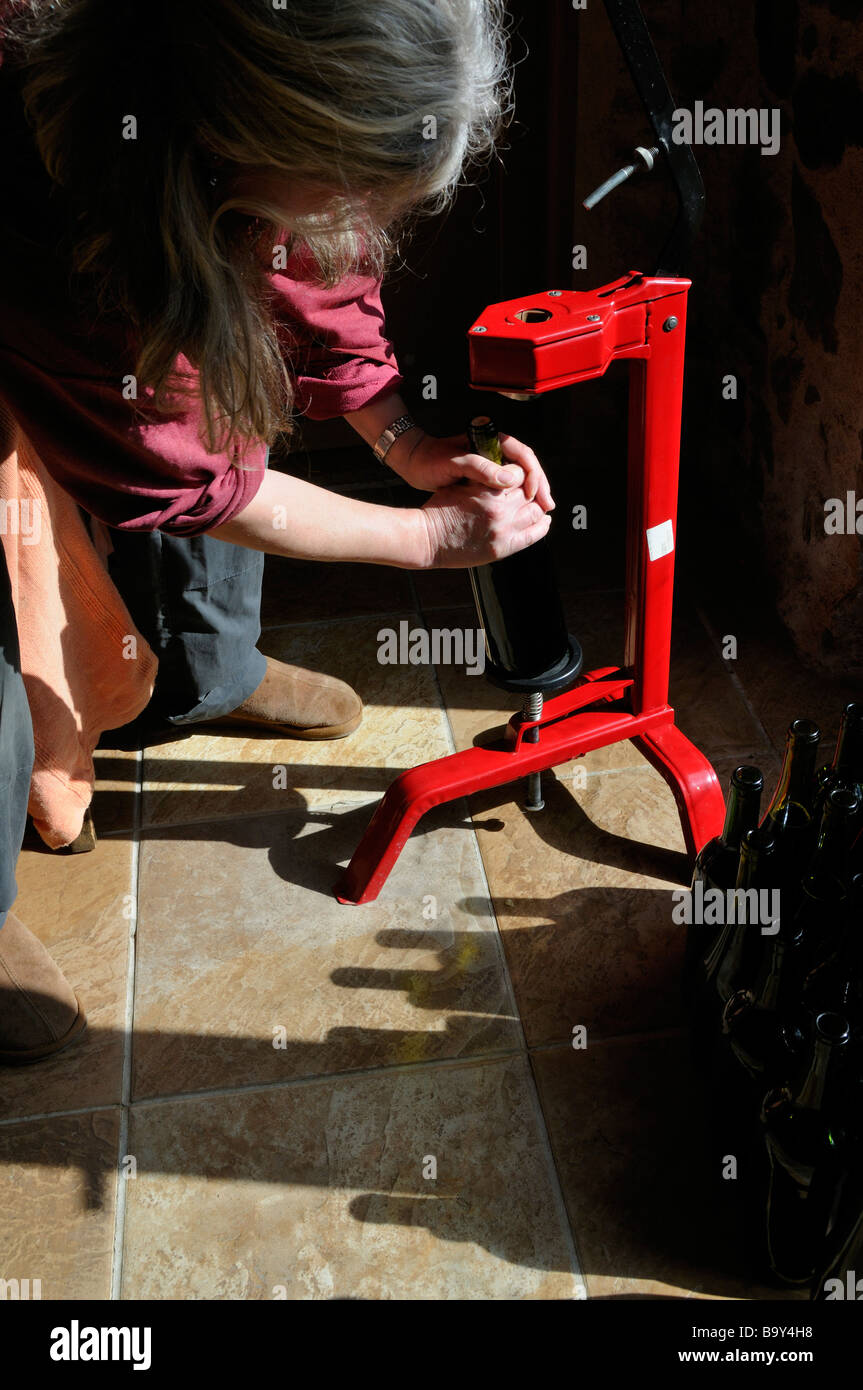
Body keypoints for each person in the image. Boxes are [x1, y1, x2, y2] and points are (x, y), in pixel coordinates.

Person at [0, 0, 555, 1063]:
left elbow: (323, 278)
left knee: (232, 370)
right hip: (46, 276)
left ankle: (209, 673)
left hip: (177, 243)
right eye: (349, 189)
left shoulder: (259, 82)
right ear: (260, 143)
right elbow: (191, 479)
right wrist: (430, 542)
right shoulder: (78, 221)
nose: (363, 221)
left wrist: (402, 443)